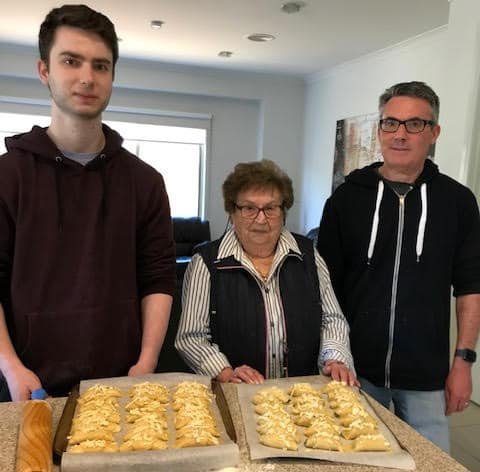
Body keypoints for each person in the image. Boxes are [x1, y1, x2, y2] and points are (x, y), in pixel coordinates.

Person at [0, 5, 175, 401]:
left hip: (122, 383)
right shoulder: (7, 178)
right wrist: (11, 368)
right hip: (27, 384)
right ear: (44, 70)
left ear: (113, 75)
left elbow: (158, 277)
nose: (86, 78)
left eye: (100, 66)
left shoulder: (145, 182)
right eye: (71, 61)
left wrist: (146, 362)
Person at [317, 81, 480, 452]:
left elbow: (471, 287)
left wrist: (464, 363)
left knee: (429, 461)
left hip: (426, 375)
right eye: (390, 123)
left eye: (414, 124)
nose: (400, 135)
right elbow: (323, 287)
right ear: (379, 131)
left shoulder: (458, 202)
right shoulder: (347, 198)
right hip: (355, 369)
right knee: (356, 460)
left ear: (434, 132)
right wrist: (329, 354)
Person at [175, 159, 357, 385]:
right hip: (235, 394)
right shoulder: (206, 263)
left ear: (283, 212)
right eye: (249, 208)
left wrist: (335, 359)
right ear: (232, 212)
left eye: (270, 208)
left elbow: (332, 320)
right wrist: (226, 372)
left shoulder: (309, 255)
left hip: (302, 396)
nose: (261, 219)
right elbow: (191, 337)